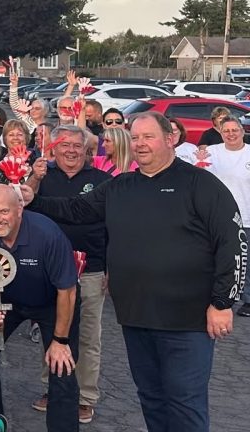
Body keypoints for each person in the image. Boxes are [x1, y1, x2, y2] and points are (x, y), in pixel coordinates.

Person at [22, 111, 246, 431]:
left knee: (184, 399)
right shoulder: (120, 186)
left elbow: (233, 244)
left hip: (189, 319)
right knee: (151, 396)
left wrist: (223, 303)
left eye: (148, 137)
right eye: (135, 137)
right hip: (136, 316)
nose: (140, 144)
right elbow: (76, 210)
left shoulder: (201, 184)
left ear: (170, 139)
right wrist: (33, 200)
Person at [0, 186, 79, 432]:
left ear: (19, 209)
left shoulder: (47, 234)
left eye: (3, 211)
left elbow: (68, 291)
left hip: (53, 301)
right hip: (9, 300)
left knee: (61, 365)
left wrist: (60, 340)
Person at [25, 125, 110, 423]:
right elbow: (22, 201)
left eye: (78, 145)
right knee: (53, 332)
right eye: (65, 145)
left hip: (90, 270)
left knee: (87, 336)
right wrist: (34, 175)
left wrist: (109, 267)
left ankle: (85, 397)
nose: (72, 151)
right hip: (49, 271)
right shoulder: (43, 177)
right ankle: (55, 389)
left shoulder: (101, 180)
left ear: (87, 150)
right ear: (54, 149)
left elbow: (113, 226)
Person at [197, 116, 250, 316]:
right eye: (226, 130)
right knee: (214, 258)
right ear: (220, 132)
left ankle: (248, 300)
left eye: (234, 130)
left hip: (245, 216)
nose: (231, 134)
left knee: (244, 261)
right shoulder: (211, 152)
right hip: (215, 217)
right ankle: (214, 296)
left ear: (242, 131)